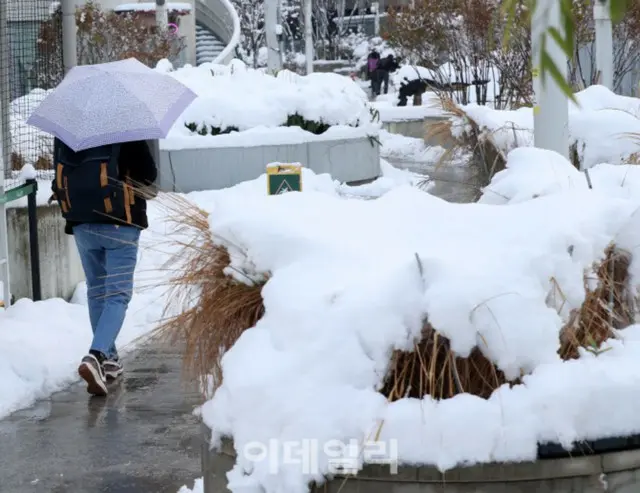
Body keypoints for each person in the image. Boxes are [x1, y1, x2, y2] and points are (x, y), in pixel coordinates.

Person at [50, 138, 157, 396]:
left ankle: (109, 358)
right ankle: (95, 356)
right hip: (120, 220)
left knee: (97, 290)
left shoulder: (71, 132)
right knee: (118, 294)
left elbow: (59, 174)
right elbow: (148, 175)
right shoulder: (126, 131)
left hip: (82, 223)